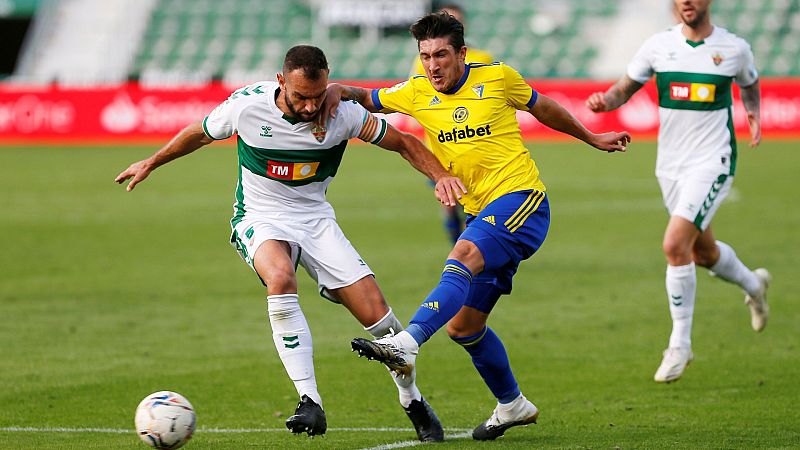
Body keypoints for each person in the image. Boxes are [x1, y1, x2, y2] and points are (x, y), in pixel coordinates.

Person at [115, 45, 467, 441]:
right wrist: (151, 161)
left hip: (316, 222)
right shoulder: (247, 106)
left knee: (383, 323)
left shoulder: (342, 113)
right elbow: (199, 133)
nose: (311, 106)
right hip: (259, 217)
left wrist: (440, 176)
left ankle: (412, 400)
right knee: (280, 278)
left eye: (317, 95)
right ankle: (309, 400)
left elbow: (403, 142)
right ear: (281, 81)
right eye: (301, 96)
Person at [321, 12, 630, 440]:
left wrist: (592, 137)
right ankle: (512, 404)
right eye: (425, 56)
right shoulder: (416, 90)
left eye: (441, 55)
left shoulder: (498, 77)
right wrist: (337, 89)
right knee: (463, 326)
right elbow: (368, 97)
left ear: (461, 54)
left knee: (462, 253)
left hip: (522, 200)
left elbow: (542, 107)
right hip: (480, 213)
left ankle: (405, 344)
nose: (433, 65)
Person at [586, 0, 770, 383]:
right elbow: (624, 88)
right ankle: (755, 285)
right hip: (670, 167)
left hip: (713, 162)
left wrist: (752, 111)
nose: (685, 1)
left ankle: (680, 344)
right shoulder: (659, 46)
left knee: (674, 245)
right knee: (703, 253)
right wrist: (605, 101)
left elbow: (750, 82)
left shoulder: (733, 48)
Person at [412, 3, 494, 245]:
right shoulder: (422, 62)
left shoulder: (483, 58)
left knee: (478, 206)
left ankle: (473, 249)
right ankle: (457, 247)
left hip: (475, 147)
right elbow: (417, 97)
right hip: (440, 149)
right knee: (449, 204)